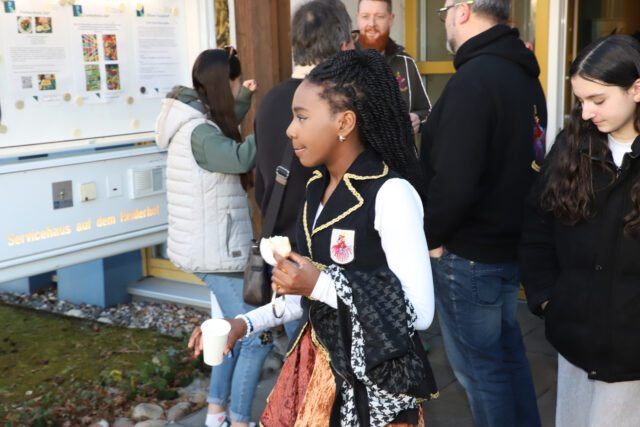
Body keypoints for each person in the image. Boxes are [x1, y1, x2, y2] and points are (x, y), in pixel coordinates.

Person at [192, 49, 438, 426]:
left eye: (302, 117)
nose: (290, 129)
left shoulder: (391, 194)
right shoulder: (315, 189)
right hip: (314, 371)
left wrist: (320, 283)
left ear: (345, 122)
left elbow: (419, 313)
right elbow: (307, 297)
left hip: (371, 390)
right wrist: (243, 324)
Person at [419, 1, 546, 426]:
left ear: (463, 11)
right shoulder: (524, 76)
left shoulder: (473, 81)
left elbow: (455, 183)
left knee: (482, 373)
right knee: (508, 356)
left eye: (444, 12)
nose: (445, 23)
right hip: (507, 249)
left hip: (469, 256)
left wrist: (431, 238)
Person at [519, 35, 640, 427]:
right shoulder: (570, 147)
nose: (586, 113)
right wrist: (548, 300)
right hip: (574, 344)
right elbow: (537, 227)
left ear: (636, 89)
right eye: (580, 100)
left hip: (631, 360)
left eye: (598, 100)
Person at [155, 48, 271, 427]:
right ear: (224, 83)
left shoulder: (195, 118)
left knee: (225, 333)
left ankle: (217, 413)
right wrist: (272, 126)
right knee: (255, 336)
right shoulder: (199, 132)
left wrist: (244, 98)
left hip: (211, 247)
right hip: (212, 253)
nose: (237, 88)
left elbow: (224, 124)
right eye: (235, 83)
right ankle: (238, 420)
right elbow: (238, 157)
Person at [254, 0, 354, 253]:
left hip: (281, 255)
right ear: (343, 47)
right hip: (330, 256)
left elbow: (262, 187)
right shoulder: (342, 104)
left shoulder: (268, 101)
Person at [354, 0, 431, 134]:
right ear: (357, 18)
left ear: (391, 19)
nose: (372, 24)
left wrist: (418, 119)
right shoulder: (342, 62)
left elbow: (426, 112)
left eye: (380, 16)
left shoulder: (406, 63)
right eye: (365, 16)